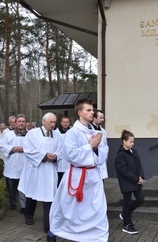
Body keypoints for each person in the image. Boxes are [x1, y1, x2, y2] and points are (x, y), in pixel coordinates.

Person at [48, 99, 109, 242]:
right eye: (88, 110)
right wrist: (90, 147)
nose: (92, 112)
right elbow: (70, 155)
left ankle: (97, 236)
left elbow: (104, 151)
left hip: (93, 176)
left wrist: (96, 147)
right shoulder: (73, 133)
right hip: (76, 176)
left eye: (92, 110)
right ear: (79, 112)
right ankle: (55, 232)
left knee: (97, 208)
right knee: (70, 208)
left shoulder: (96, 132)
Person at [18, 112, 62, 234]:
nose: (53, 125)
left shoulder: (57, 135)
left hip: (50, 171)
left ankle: (48, 226)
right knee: (32, 195)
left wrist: (56, 156)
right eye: (51, 122)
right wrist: (44, 156)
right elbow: (28, 149)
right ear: (43, 122)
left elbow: (61, 149)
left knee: (49, 197)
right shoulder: (33, 133)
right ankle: (28, 215)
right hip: (37, 170)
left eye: (54, 122)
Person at [115, 129, 145, 235]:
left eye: (133, 142)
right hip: (127, 182)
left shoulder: (134, 152)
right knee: (127, 202)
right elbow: (124, 170)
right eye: (130, 141)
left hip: (136, 181)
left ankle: (125, 214)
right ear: (124, 141)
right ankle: (126, 225)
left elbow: (139, 165)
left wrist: (141, 176)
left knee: (140, 199)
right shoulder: (121, 155)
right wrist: (136, 179)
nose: (132, 143)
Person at [0, 115, 27, 212]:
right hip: (12, 164)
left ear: (25, 123)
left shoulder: (30, 134)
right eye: (19, 121)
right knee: (12, 187)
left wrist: (25, 149)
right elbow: (1, 145)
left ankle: (24, 206)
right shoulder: (9, 134)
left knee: (23, 187)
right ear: (15, 123)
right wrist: (12, 149)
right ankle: (13, 202)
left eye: (23, 121)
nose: (21, 123)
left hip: (25, 164)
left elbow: (36, 147)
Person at [91, 110, 109, 180]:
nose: (102, 120)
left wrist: (106, 152)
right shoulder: (89, 130)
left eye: (103, 118)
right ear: (94, 118)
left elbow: (105, 144)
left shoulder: (103, 131)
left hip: (102, 160)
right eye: (100, 118)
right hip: (93, 160)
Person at [55, 116, 71, 186]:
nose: (65, 124)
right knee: (59, 179)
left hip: (68, 158)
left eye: (67, 122)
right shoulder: (56, 133)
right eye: (64, 122)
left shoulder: (72, 132)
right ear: (61, 123)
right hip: (60, 159)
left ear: (69, 123)